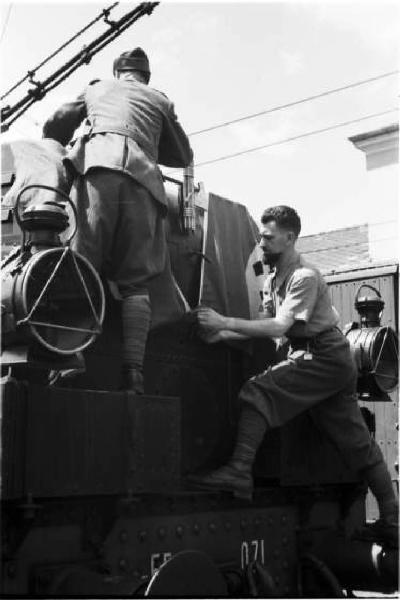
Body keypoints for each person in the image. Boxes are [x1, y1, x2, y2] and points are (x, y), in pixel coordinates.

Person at [191, 205, 398, 547]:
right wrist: (224, 335)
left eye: (269, 237)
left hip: (324, 355)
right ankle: (392, 519)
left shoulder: (305, 276)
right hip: (321, 356)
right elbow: (267, 330)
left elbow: (279, 326)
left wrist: (224, 322)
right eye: (261, 235)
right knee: (356, 443)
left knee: (256, 392)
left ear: (290, 237)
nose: (263, 242)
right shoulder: (274, 278)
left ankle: (239, 471)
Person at [42, 48, 193, 393]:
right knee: (136, 283)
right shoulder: (159, 100)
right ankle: (134, 373)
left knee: (82, 264)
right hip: (144, 185)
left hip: (98, 172)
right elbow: (183, 155)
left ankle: (72, 355)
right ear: (146, 77)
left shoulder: (98, 87)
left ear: (118, 72)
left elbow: (54, 124)